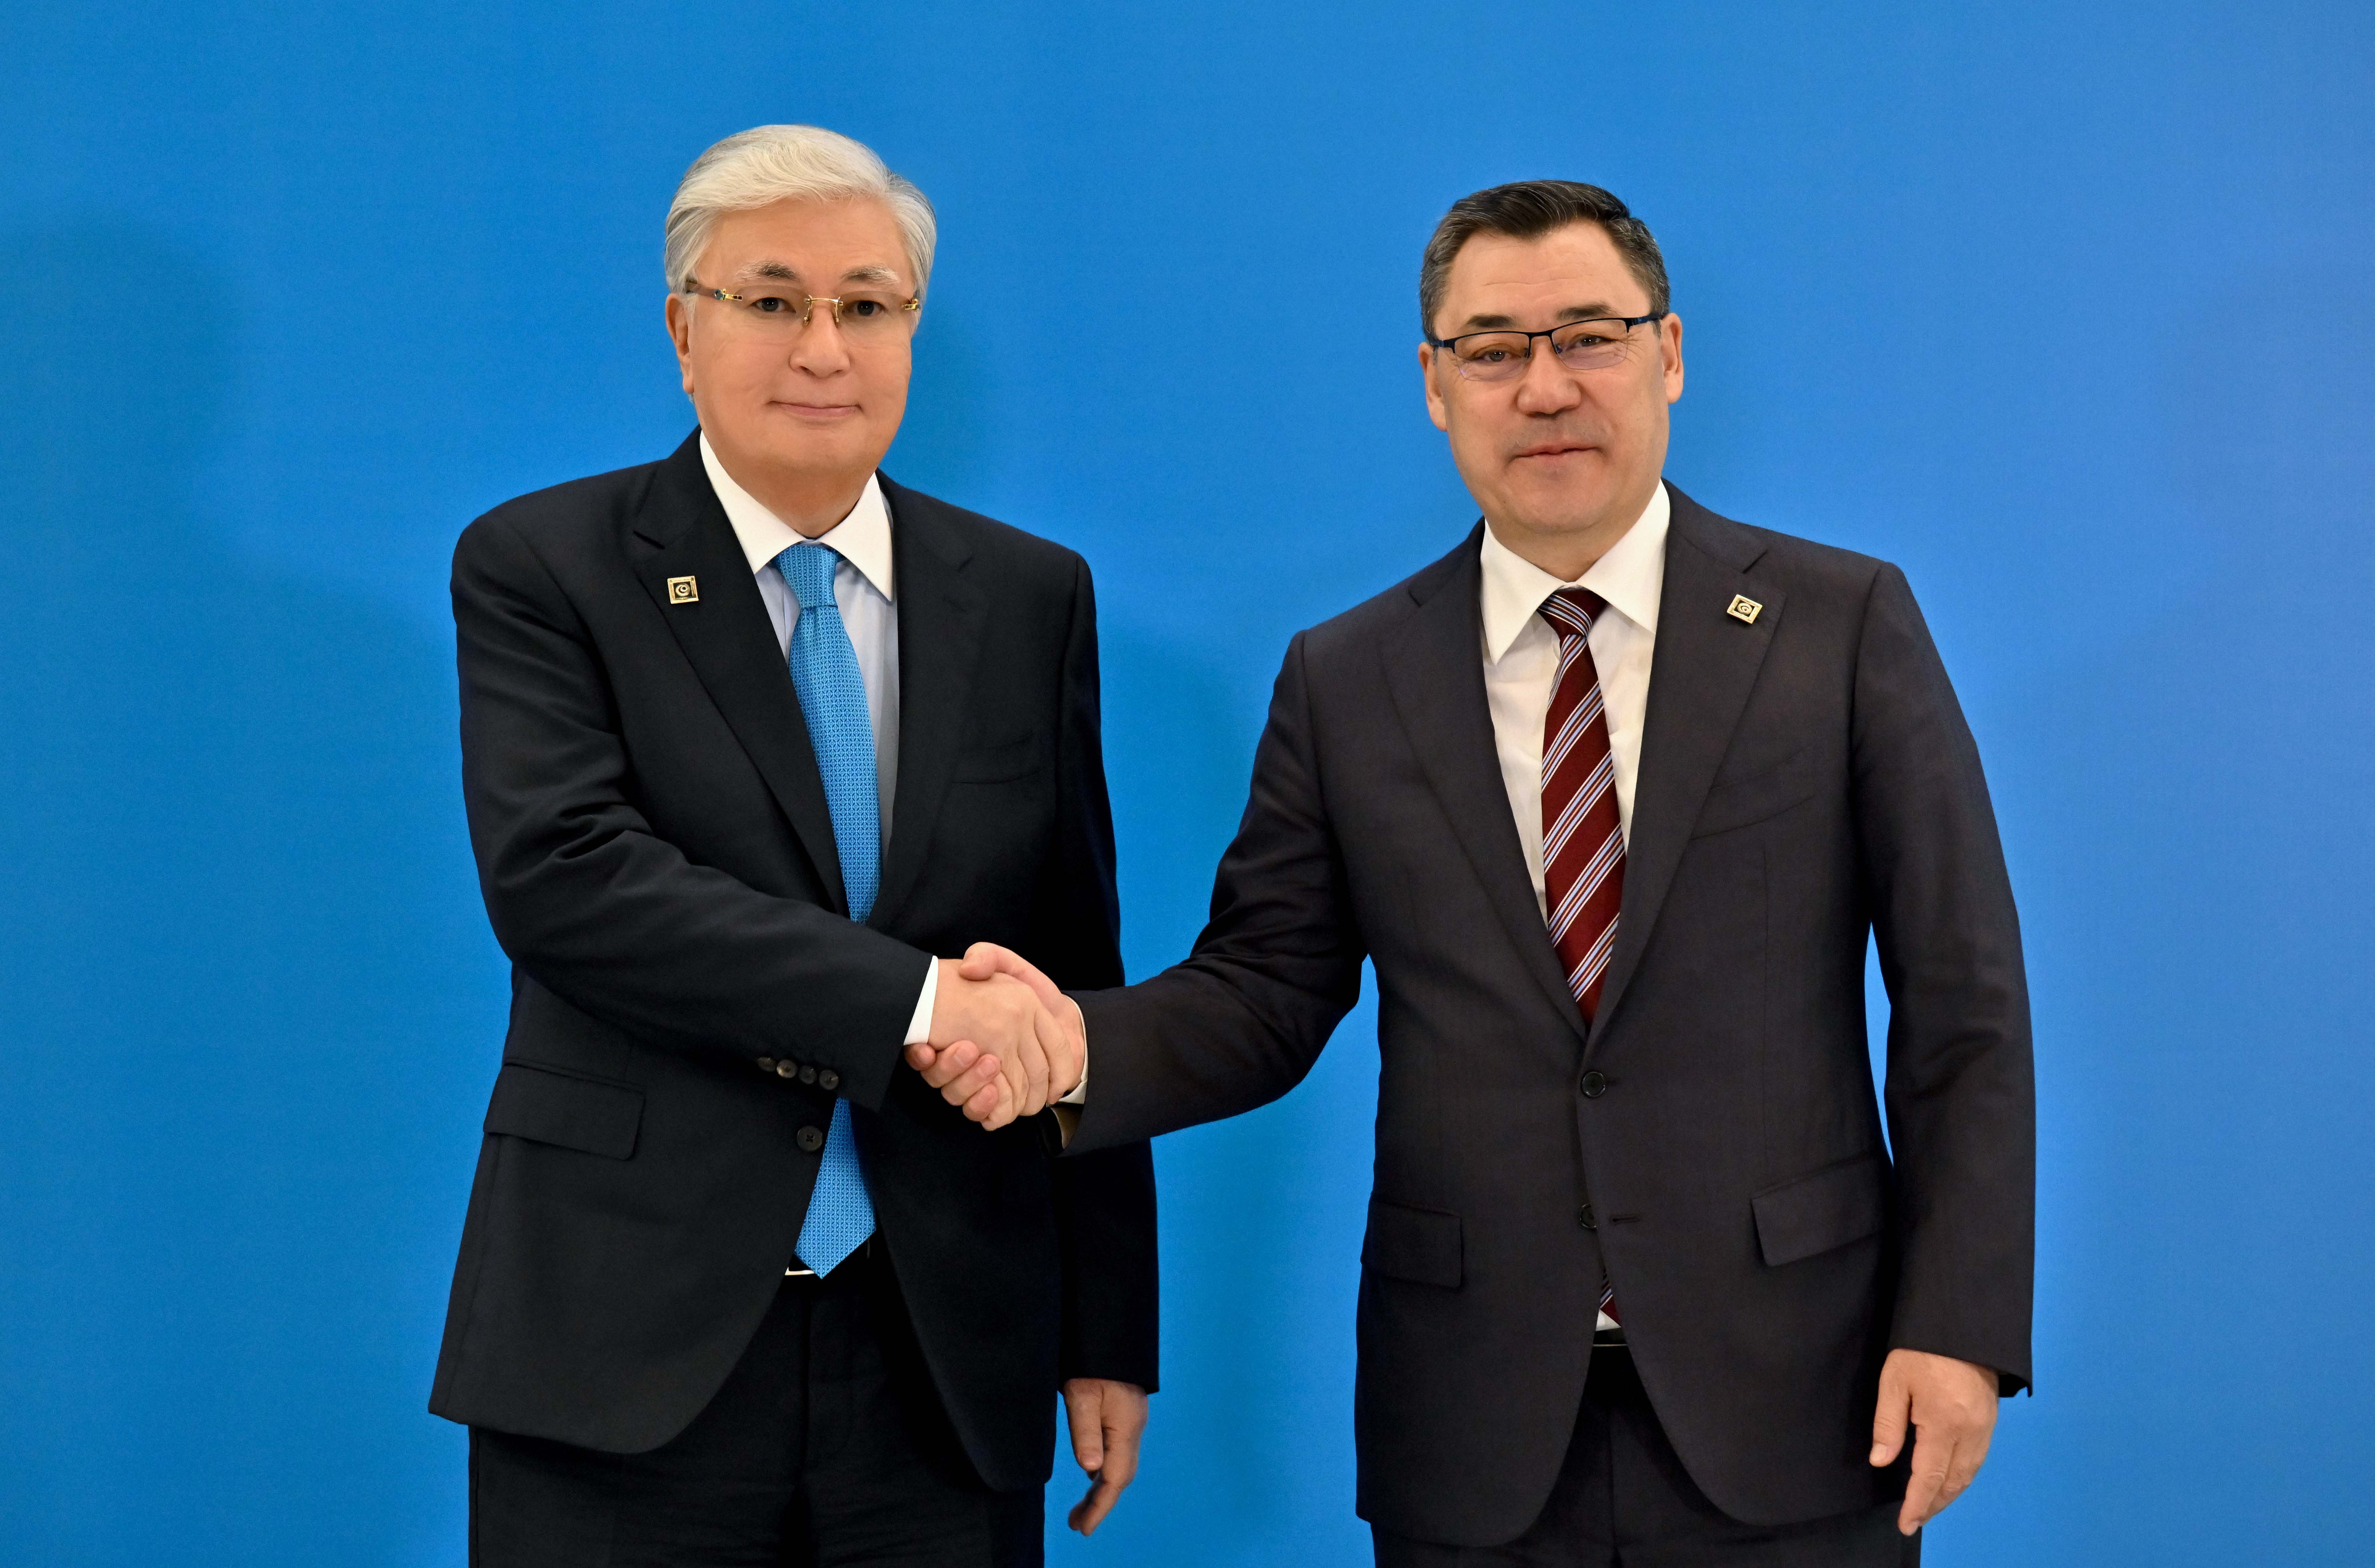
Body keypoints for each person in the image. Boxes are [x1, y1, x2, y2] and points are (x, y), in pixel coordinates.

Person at [924, 180, 2032, 1564]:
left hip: (1802, 1394)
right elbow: (1265, 992)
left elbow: (1963, 1003)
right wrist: (1069, 1047)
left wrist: (1958, 1325)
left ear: (1669, 354)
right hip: (1472, 1422)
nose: (1545, 386)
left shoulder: (1839, 623)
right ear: (1436, 385)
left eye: (1590, 337)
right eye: (1495, 350)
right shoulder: (1348, 678)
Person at [428, 124, 1157, 1567]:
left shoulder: (1028, 596)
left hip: (945, 1344)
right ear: (684, 333)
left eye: (867, 305)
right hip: (625, 1336)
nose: (825, 347)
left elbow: (1074, 964)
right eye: (772, 301)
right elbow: (568, 881)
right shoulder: (545, 564)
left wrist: (1106, 1325)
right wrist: (921, 1002)